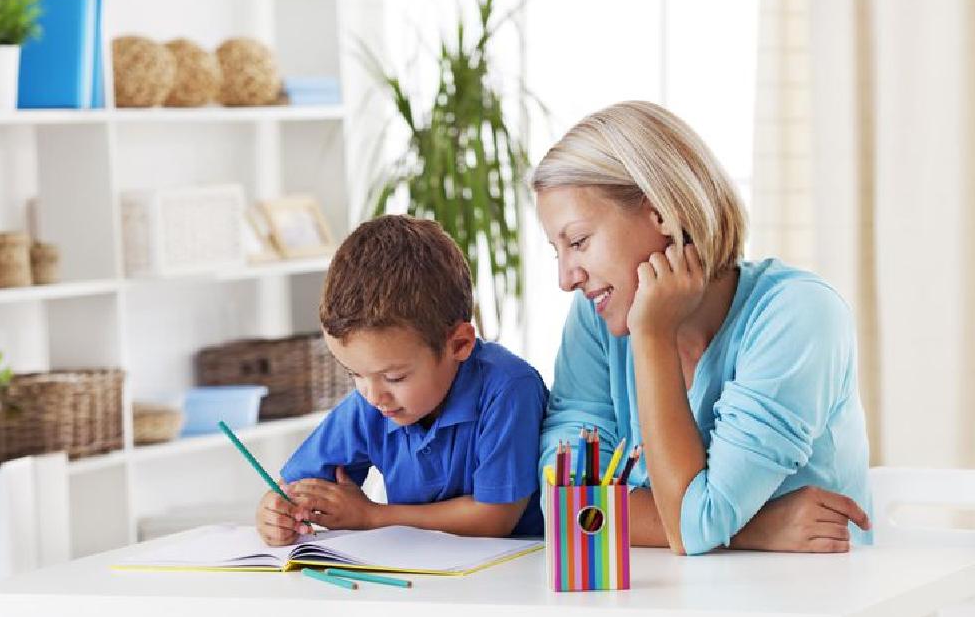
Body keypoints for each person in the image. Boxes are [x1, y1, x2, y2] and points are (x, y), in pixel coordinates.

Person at [533, 101, 872, 555]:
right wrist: (758, 529)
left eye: (578, 242)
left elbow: (690, 527)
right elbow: (561, 503)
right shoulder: (596, 318)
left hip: (809, 600)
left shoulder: (798, 316)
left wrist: (651, 338)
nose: (566, 278)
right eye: (558, 252)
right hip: (670, 600)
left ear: (663, 215)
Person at [255, 215, 547, 546]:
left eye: (394, 377)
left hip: (513, 579)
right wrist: (276, 511)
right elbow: (295, 486)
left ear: (459, 345)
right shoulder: (371, 402)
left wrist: (372, 516)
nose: (373, 395)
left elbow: (494, 518)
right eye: (354, 374)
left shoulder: (509, 389)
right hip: (415, 577)